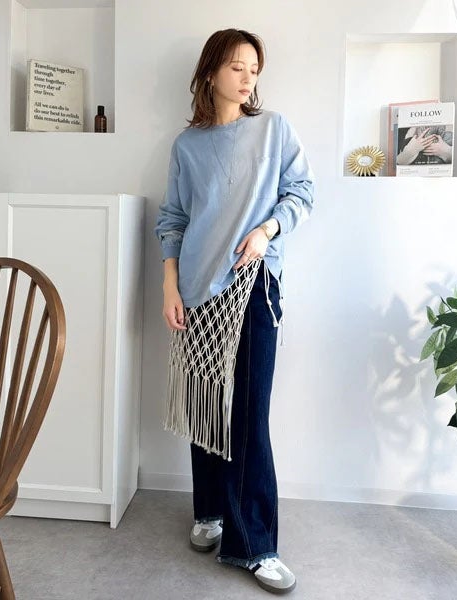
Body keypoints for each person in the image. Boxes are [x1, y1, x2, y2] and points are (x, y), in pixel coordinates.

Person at [155, 28, 313, 595]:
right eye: (238, 67)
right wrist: (170, 286)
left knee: (247, 414)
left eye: (254, 69)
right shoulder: (187, 146)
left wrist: (267, 231)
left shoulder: (274, 129)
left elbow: (302, 192)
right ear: (211, 72)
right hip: (196, 291)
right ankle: (210, 511)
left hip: (253, 286)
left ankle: (256, 545)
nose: (248, 78)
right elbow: (173, 219)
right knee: (204, 405)